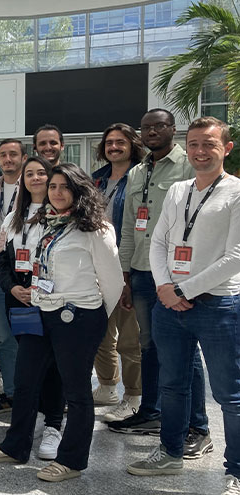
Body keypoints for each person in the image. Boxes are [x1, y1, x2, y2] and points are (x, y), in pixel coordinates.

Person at [0, 163, 124, 483]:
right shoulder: (46, 222)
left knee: (76, 391)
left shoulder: (96, 229)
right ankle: (15, 446)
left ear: (79, 189)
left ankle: (71, 461)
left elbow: (113, 282)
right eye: (53, 186)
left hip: (78, 316)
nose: (57, 192)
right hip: (41, 311)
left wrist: (94, 318)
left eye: (64, 187)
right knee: (26, 381)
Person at [127, 117, 240, 495]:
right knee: (173, 386)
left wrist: (184, 290)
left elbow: (236, 255)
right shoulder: (178, 190)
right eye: (193, 144)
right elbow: (159, 241)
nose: (200, 151)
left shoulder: (236, 192)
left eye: (209, 144)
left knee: (230, 395)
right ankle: (170, 452)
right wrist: (165, 287)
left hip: (218, 306)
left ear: (226, 148)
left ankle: (236, 470)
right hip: (170, 306)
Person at [109, 109, 211, 461]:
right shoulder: (138, 171)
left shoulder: (187, 166)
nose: (152, 132)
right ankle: (150, 412)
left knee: (185, 351)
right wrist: (124, 274)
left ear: (172, 129)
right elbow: (128, 226)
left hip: (175, 276)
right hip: (140, 271)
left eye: (159, 126)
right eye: (146, 128)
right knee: (148, 345)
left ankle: (198, 428)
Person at [0, 157, 65, 462]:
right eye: (29, 173)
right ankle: (27, 428)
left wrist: (39, 289)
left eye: (41, 173)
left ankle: (54, 425)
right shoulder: (13, 217)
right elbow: (0, 260)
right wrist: (12, 288)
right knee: (28, 366)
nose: (35, 178)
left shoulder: (61, 214)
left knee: (53, 366)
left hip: (51, 299)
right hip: (19, 300)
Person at [91, 123, 145, 422]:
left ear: (132, 145)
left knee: (128, 338)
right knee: (100, 332)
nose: (114, 146)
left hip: (128, 266)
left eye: (120, 141)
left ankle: (133, 396)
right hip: (97, 266)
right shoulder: (97, 179)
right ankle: (107, 387)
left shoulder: (140, 176)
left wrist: (127, 271)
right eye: (109, 142)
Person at [0, 139, 27, 415]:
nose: (8, 159)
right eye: (3, 155)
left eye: (13, 154)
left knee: (34, 338)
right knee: (5, 339)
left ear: (24, 158)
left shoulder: (34, 187)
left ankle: (41, 394)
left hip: (27, 276)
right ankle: (11, 393)